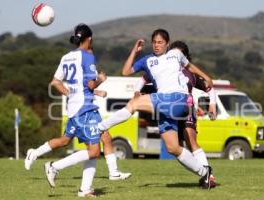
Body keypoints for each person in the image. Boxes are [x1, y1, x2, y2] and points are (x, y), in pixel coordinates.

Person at [96, 29, 214, 189]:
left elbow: (190, 66)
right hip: (166, 105)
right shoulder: (147, 60)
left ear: (167, 44)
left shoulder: (175, 54)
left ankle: (99, 128)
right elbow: (125, 71)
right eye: (154, 42)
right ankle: (204, 173)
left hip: (177, 99)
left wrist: (206, 77)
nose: (156, 45)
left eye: (160, 42)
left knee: (134, 103)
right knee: (173, 148)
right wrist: (134, 51)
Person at [24, 24, 127, 197]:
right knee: (94, 150)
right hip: (85, 109)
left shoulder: (66, 57)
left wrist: (69, 93)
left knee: (87, 143)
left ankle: (85, 189)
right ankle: (54, 167)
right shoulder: (87, 57)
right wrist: (101, 79)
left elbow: (56, 82)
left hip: (75, 107)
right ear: (90, 39)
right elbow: (89, 84)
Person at [134, 40, 218, 188]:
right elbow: (142, 79)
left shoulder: (190, 72)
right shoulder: (162, 66)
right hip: (168, 109)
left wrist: (212, 104)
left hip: (187, 109)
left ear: (184, 56)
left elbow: (210, 87)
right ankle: (202, 173)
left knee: (191, 140)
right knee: (174, 148)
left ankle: (209, 176)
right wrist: (137, 92)